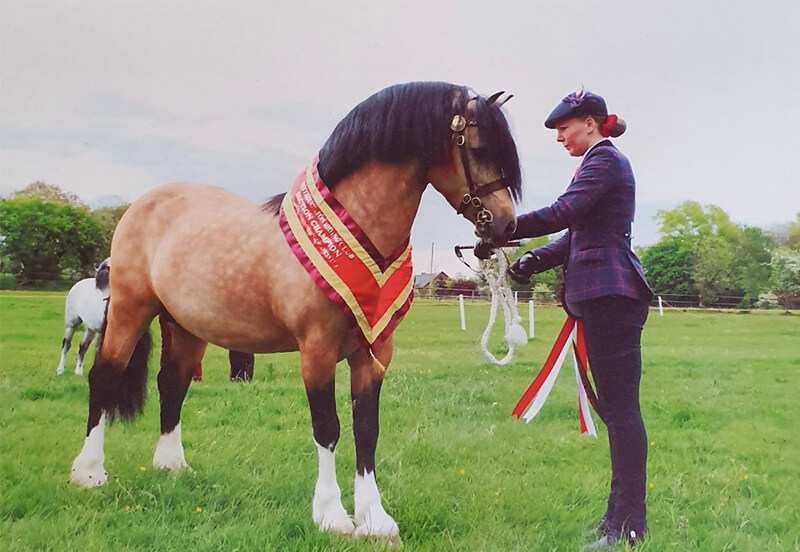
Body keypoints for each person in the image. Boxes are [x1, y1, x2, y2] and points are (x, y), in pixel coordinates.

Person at [506, 89, 654, 549]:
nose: (559, 137)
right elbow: (576, 235)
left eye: (563, 128)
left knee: (622, 412)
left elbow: (564, 212)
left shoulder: (605, 161)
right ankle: (619, 517)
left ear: (589, 122)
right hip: (602, 296)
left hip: (612, 297)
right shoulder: (597, 164)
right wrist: (530, 261)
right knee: (616, 411)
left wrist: (505, 225)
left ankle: (628, 525)